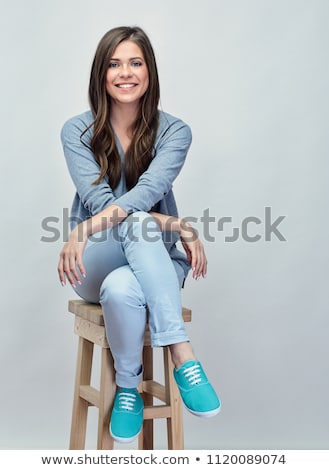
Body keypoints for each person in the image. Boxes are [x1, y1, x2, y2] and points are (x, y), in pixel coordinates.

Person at [58, 26, 220, 444]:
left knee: (121, 290)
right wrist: (175, 224)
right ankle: (181, 351)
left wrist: (82, 229)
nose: (124, 73)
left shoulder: (175, 132)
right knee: (136, 225)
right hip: (95, 258)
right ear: (101, 73)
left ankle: (128, 388)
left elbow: (146, 192)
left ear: (149, 72)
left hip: (150, 265)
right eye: (114, 64)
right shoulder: (76, 132)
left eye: (135, 62)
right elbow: (101, 203)